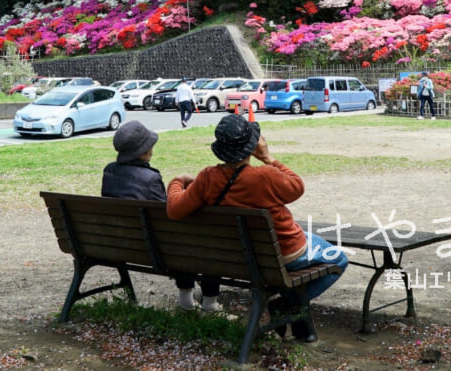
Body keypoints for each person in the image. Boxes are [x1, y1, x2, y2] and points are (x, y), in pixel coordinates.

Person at [167, 114, 347, 340]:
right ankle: (289, 303)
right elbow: (297, 187)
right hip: (285, 254)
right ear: (251, 147)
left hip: (239, 257)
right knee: (339, 259)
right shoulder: (266, 176)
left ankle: (293, 305)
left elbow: (174, 209)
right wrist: (268, 157)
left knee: (307, 237)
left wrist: (177, 181)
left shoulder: (207, 178)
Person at [101, 120, 222, 313]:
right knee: (196, 239)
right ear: (142, 152)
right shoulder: (150, 178)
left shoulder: (109, 171)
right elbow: (168, 215)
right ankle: (209, 302)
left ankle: (186, 299)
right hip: (156, 249)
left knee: (179, 239)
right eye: (149, 147)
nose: (152, 150)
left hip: (120, 243)